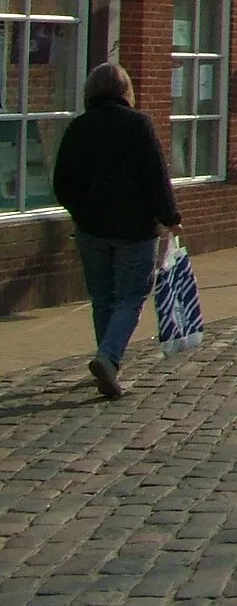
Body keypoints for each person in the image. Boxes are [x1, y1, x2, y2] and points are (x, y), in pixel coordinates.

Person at [52, 62, 180, 400]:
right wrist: (170, 216)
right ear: (126, 91)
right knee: (131, 297)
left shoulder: (79, 127)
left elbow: (61, 182)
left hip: (92, 229)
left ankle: (106, 357)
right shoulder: (138, 125)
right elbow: (156, 176)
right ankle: (108, 358)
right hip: (135, 230)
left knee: (103, 298)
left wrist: (81, 211)